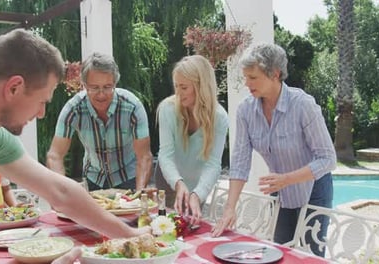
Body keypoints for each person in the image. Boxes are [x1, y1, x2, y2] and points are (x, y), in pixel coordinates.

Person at [0, 29, 149, 263]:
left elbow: (61, 192)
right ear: (14, 88)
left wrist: (132, 235)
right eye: (42, 101)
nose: (43, 113)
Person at [211, 43, 336, 257]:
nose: (247, 83)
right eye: (245, 77)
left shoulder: (303, 105)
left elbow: (328, 159)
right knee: (280, 254)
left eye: (253, 77)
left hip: (314, 190)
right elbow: (240, 162)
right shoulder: (245, 111)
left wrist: (287, 179)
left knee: (310, 257)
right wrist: (230, 207)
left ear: (275, 74)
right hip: (281, 193)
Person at [47, 52, 153, 191]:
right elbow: (55, 155)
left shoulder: (132, 107)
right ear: (84, 85)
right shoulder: (73, 109)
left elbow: (144, 156)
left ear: (115, 83)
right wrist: (60, 192)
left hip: (129, 177)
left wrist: (139, 194)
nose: (101, 94)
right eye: (94, 88)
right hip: (93, 178)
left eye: (107, 87)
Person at [156, 55, 229, 225]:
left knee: (190, 229)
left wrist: (198, 193)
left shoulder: (219, 117)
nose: (178, 93)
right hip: (168, 180)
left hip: (197, 186)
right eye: (176, 86)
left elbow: (213, 164)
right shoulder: (167, 109)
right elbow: (165, 155)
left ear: (201, 87)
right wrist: (178, 184)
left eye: (184, 87)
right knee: (163, 228)